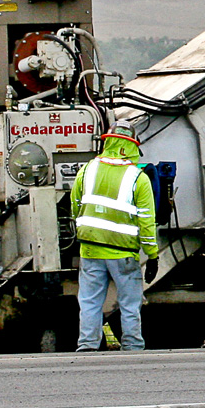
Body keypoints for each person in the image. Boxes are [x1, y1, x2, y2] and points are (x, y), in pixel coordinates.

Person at [72, 122, 157, 352]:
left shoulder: (87, 170)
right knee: (130, 303)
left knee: (89, 301)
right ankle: (132, 346)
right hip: (123, 253)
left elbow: (75, 205)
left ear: (107, 142)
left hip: (90, 249)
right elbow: (147, 222)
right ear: (132, 146)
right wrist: (152, 256)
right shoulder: (138, 178)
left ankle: (88, 345)